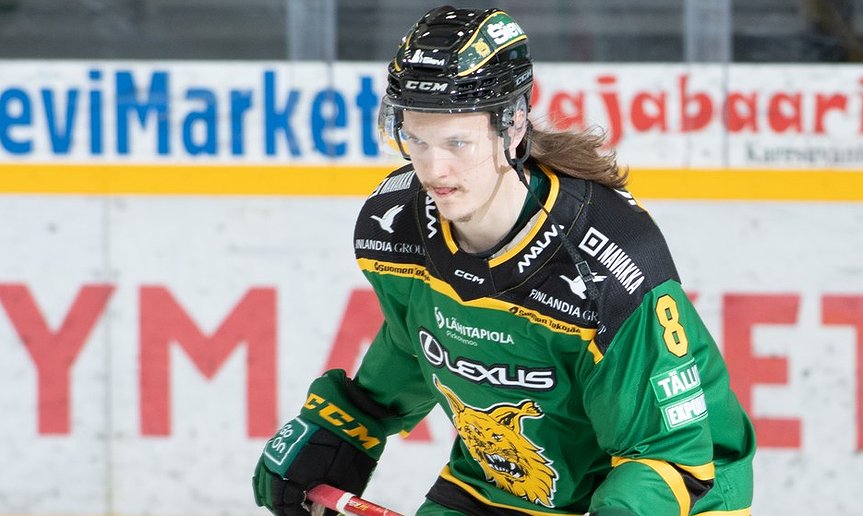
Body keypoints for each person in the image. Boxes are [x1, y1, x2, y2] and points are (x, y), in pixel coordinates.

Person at [253, 5, 756, 515]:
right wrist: (348, 423)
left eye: (457, 143)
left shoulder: (606, 264)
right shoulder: (394, 224)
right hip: (511, 473)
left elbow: (668, 453)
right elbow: (417, 340)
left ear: (512, 127)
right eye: (417, 140)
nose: (433, 170)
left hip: (675, 483)